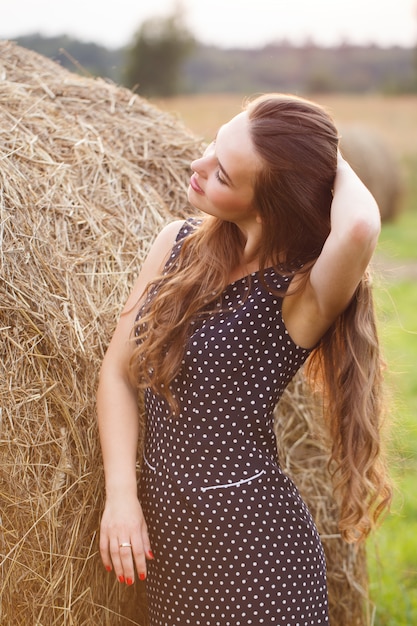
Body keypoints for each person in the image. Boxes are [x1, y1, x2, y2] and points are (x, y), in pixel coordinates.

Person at [97, 93, 391, 625]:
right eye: (215, 145)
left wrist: (326, 159)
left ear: (269, 206)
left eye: (224, 175)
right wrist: (121, 495)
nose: (198, 166)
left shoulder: (300, 295)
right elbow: (118, 373)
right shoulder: (176, 245)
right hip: (174, 559)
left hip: (259, 564)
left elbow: (356, 230)